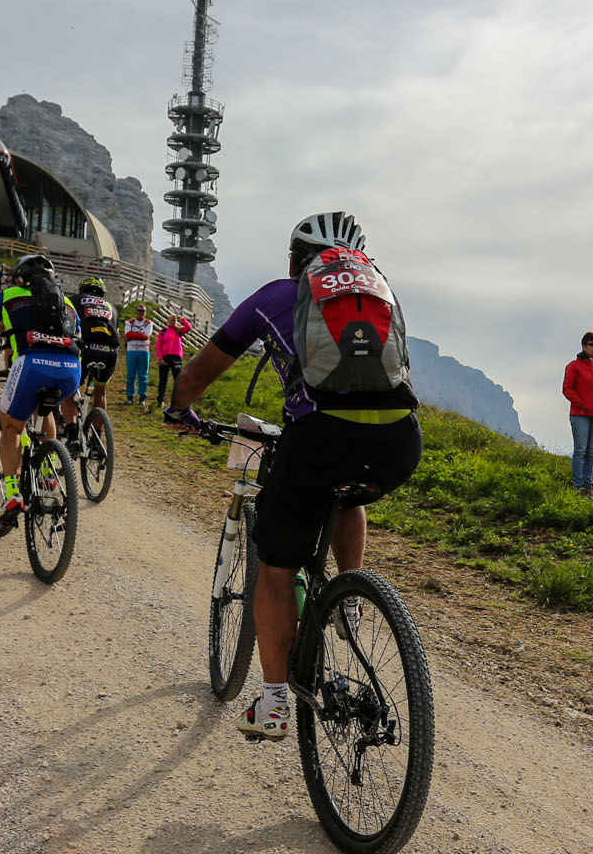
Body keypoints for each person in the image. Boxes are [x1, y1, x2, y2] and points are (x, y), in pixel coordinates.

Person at [166, 212, 420, 739]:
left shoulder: (276, 296)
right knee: (350, 494)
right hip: (400, 441)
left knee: (277, 567)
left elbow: (198, 372)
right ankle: (348, 595)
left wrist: (179, 409)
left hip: (319, 438)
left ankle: (275, 702)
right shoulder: (381, 297)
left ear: (293, 260)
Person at [0, 255, 82, 523]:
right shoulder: (68, 302)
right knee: (45, 409)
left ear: (19, 278)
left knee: (11, 426)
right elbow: (76, 337)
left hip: (30, 366)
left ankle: (13, 493)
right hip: (71, 369)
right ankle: (49, 475)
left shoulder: (9, 295)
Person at [562, 331, 593, 496]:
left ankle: (588, 487)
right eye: (592, 344)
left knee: (591, 451)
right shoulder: (573, 366)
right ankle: (578, 487)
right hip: (580, 414)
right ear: (584, 346)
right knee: (580, 451)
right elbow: (567, 389)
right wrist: (581, 403)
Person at [73, 277, 120, 429]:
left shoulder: (75, 300)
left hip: (84, 350)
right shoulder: (111, 307)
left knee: (70, 388)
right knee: (100, 392)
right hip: (109, 353)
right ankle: (96, 438)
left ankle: (71, 429)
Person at [154, 312, 193, 409]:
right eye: (171, 319)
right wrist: (160, 358)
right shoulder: (162, 332)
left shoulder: (179, 331)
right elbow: (158, 346)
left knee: (178, 380)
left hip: (176, 357)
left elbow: (189, 327)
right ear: (168, 321)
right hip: (165, 357)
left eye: (174, 320)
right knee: (163, 380)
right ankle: (160, 400)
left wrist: (181, 319)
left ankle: (177, 401)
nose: (173, 321)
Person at [121, 302, 154, 405]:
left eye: (143, 311)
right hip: (131, 351)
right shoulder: (129, 322)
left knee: (143, 375)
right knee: (131, 375)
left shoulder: (149, 323)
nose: (141, 313)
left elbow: (146, 336)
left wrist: (132, 335)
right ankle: (130, 397)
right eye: (139, 310)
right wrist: (140, 335)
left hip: (143, 351)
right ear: (136, 311)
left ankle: (142, 397)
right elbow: (127, 335)